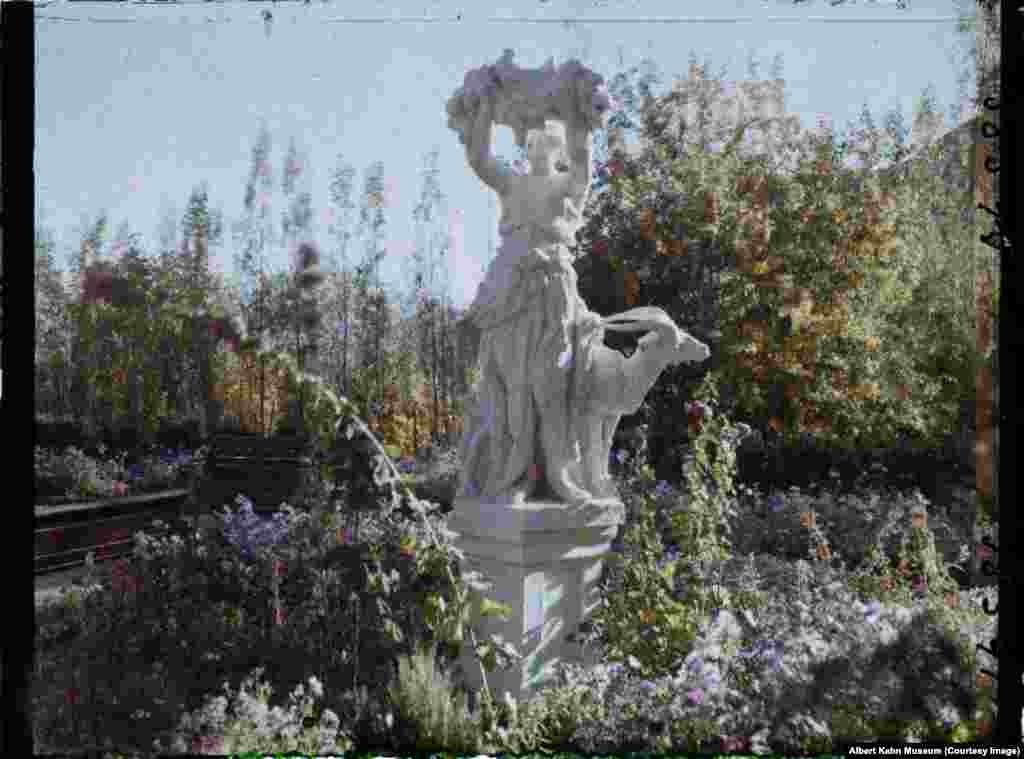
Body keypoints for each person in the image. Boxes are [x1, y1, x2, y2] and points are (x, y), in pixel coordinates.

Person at [456, 87, 613, 505]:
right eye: (531, 138)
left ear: (559, 142)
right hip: (511, 291)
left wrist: (582, 114)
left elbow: (583, 161)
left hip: (552, 293)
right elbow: (479, 160)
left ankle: (559, 473)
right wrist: (484, 108)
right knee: (513, 385)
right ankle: (514, 478)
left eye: (548, 136)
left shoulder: (568, 185)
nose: (537, 143)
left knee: (551, 383)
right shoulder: (512, 184)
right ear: (525, 144)